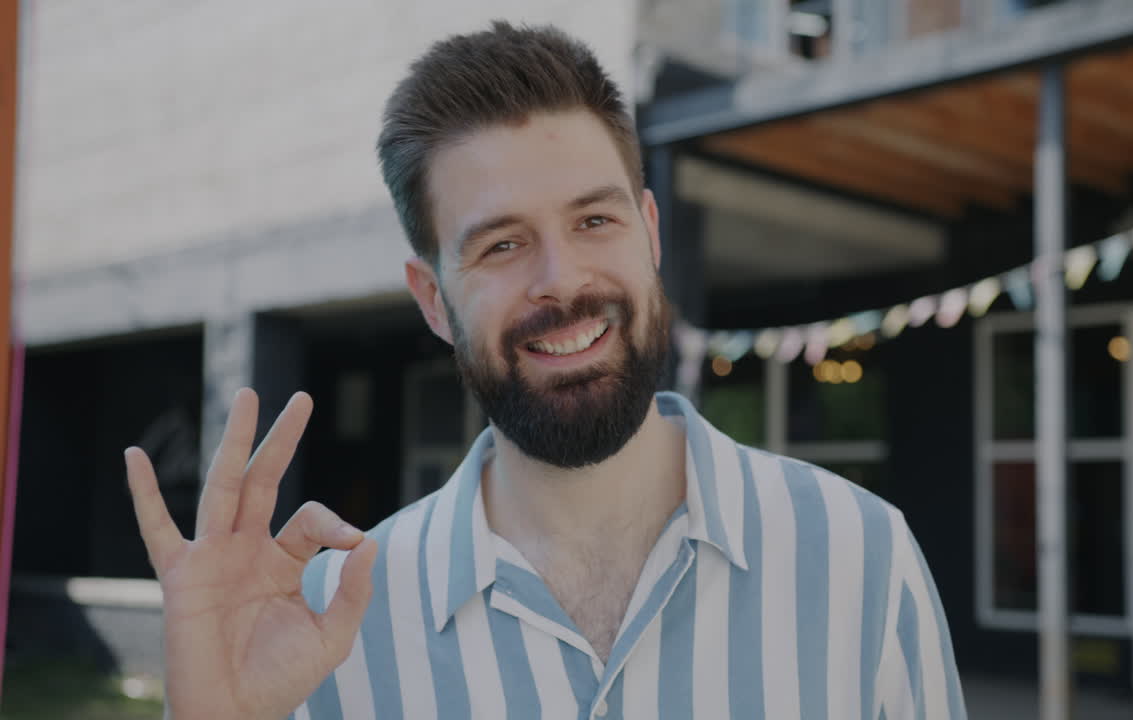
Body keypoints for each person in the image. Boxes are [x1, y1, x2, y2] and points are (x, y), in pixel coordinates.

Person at [125, 21, 966, 720]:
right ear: (432, 298)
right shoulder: (319, 626)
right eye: (502, 244)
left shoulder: (862, 555)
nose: (562, 281)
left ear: (650, 233)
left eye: (594, 220)